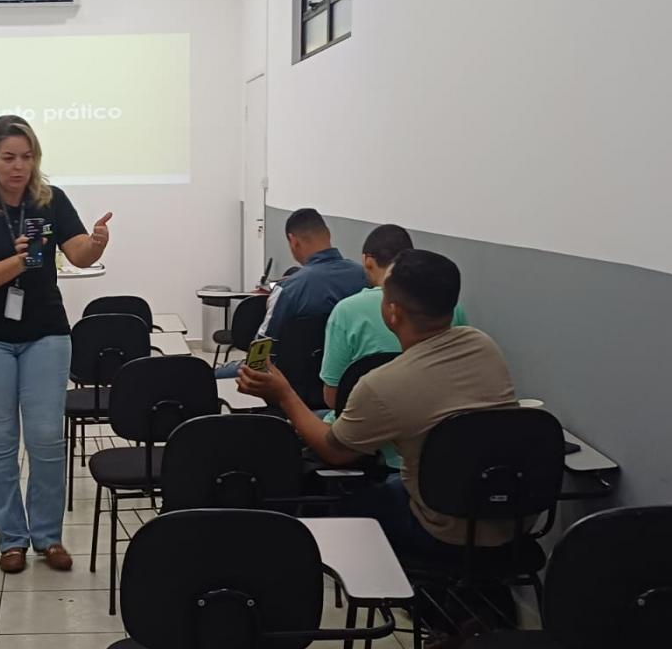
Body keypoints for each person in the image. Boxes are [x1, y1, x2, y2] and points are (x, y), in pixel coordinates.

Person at [237, 249, 518, 561]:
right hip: (510, 516)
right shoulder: (484, 346)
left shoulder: (383, 385)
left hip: (440, 529)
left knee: (345, 505)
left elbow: (335, 451)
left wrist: (284, 395)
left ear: (393, 313)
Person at [0, 115, 111, 574]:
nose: (19, 166)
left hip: (45, 332)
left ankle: (48, 536)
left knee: (45, 439)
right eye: (9, 158)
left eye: (27, 156)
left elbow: (78, 253)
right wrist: (20, 260)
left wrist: (96, 243)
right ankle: (11, 540)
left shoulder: (51, 200)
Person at [317, 225, 469, 467]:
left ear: (393, 313)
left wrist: (285, 396)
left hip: (367, 449)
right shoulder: (466, 328)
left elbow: (333, 400)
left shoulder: (348, 311)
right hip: (439, 446)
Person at [214, 208, 365, 379]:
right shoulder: (364, 277)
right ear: (328, 234)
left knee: (211, 377)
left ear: (293, 241)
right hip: (346, 380)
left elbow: (260, 354)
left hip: (288, 385)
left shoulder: (287, 289)